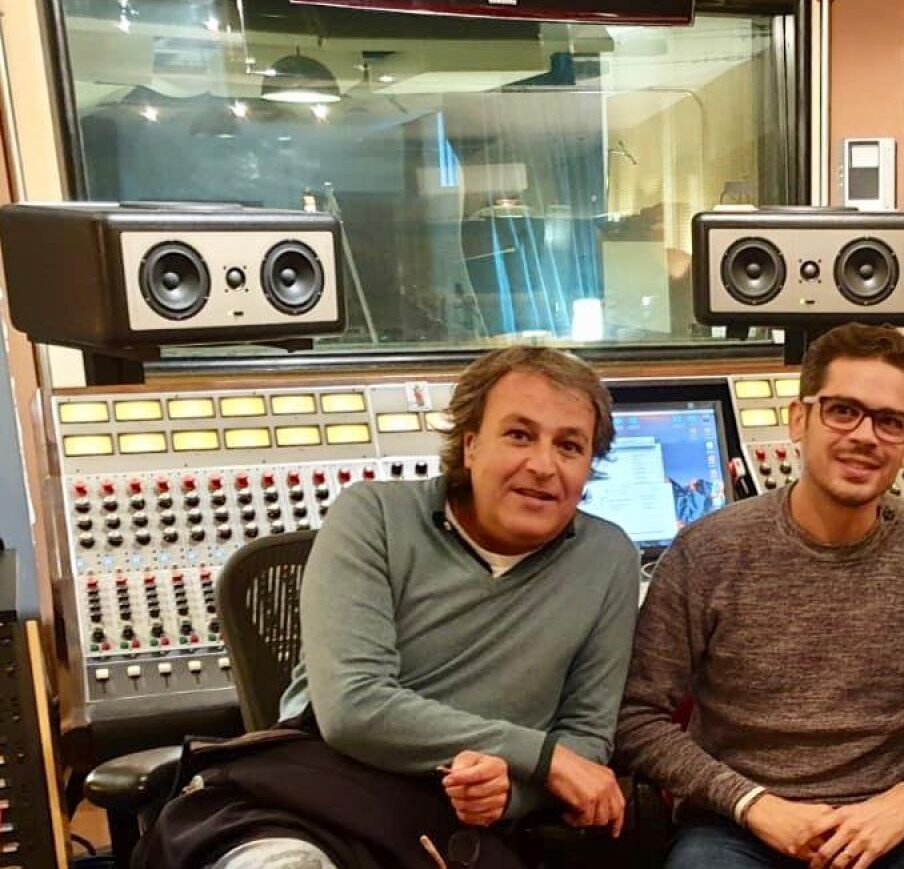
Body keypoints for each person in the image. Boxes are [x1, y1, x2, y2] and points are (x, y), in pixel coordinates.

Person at [137, 347, 640, 869]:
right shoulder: (373, 514)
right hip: (317, 801)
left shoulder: (608, 558)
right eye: (519, 435)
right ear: (471, 445)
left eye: (569, 446)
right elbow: (354, 708)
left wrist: (509, 794)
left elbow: (584, 744)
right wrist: (539, 757)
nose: (543, 465)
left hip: (458, 833)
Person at [616, 322, 904, 869]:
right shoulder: (706, 551)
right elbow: (637, 718)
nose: (865, 435)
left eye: (890, 421)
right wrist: (752, 804)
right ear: (799, 419)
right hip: (740, 826)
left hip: (895, 823)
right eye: (843, 410)